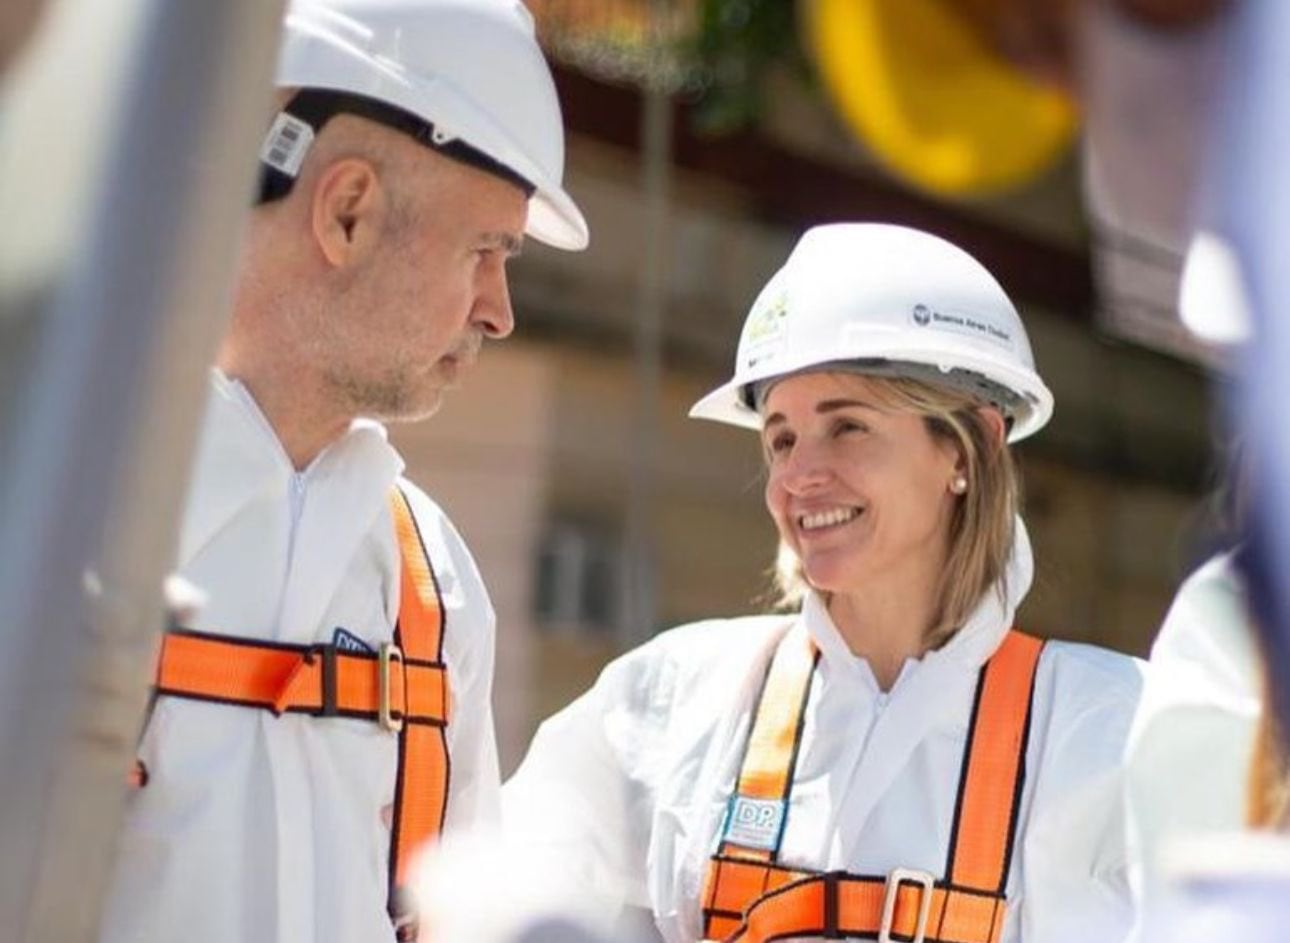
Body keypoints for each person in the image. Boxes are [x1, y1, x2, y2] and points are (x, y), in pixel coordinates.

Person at [502, 224, 1143, 943]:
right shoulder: (676, 697)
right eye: (780, 438)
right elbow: (488, 896)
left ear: (969, 448)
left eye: (848, 428)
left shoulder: (1112, 735)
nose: (799, 475)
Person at [98, 2, 588, 942]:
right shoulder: (54, 512)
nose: (500, 311)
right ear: (348, 210)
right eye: (486, 249)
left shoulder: (432, 582)